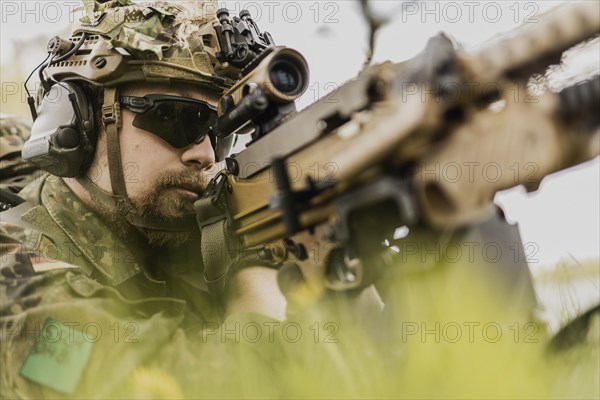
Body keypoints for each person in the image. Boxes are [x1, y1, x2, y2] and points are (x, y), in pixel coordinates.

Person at [0, 1, 287, 398]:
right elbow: (137, 385)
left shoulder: (206, 236)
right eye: (175, 118)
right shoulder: (11, 263)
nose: (204, 155)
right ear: (78, 123)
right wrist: (259, 269)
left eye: (219, 133)